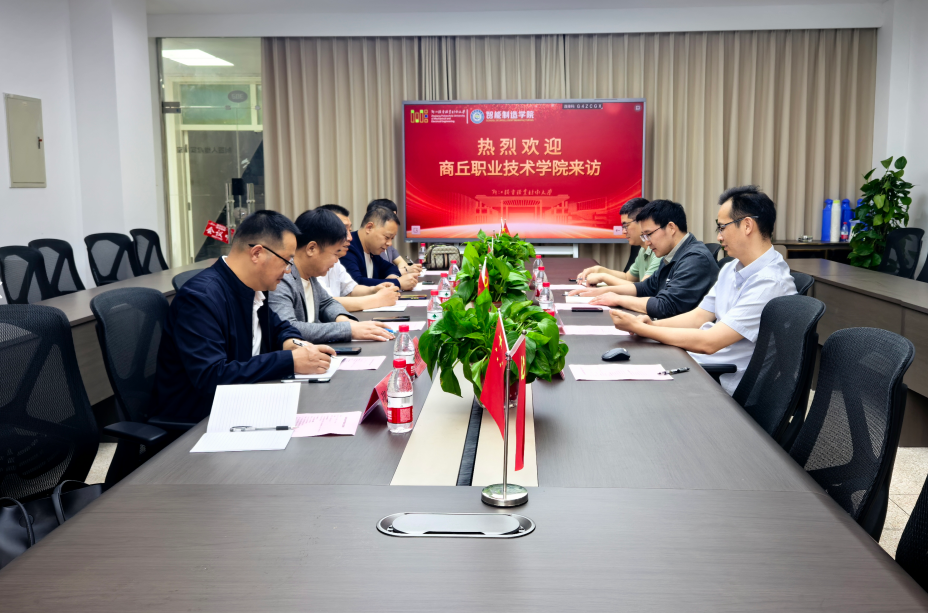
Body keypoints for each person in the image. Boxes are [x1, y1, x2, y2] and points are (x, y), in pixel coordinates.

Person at [610, 186, 797, 394]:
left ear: (747, 226)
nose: (719, 237)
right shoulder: (732, 268)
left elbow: (710, 342)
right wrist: (651, 324)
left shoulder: (770, 283)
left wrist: (644, 330)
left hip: (723, 384)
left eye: (722, 228)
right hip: (698, 364)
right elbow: (699, 316)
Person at [154, 210, 336, 422]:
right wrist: (289, 361)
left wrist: (296, 345)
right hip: (200, 419)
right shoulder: (200, 298)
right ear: (257, 253)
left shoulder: (254, 287)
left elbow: (279, 327)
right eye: (287, 260)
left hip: (245, 402)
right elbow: (212, 377)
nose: (288, 270)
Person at [269, 208, 395, 343]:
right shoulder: (282, 278)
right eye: (335, 253)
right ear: (311, 248)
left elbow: (327, 303)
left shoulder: (310, 276)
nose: (336, 261)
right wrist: (348, 330)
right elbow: (289, 327)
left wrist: (346, 322)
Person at [577, 200, 719, 318]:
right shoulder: (672, 253)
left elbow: (665, 306)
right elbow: (646, 287)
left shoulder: (695, 258)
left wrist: (618, 299)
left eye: (649, 234)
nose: (647, 242)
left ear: (671, 228)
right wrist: (602, 292)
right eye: (644, 236)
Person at [315, 204, 400, 312]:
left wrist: (374, 289)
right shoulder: (313, 264)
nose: (350, 237)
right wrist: (377, 299)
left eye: (349, 230)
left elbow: (350, 289)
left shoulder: (336, 260)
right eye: (343, 230)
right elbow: (325, 303)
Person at [575, 198, 660, 287]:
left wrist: (603, 277)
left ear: (642, 222)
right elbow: (627, 277)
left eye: (626, 225)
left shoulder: (658, 251)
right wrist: (599, 270)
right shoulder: (643, 249)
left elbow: (644, 288)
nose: (624, 231)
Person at [341, 205, 419, 290]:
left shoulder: (372, 251)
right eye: (387, 237)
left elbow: (390, 267)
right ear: (369, 227)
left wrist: (392, 276)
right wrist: (398, 283)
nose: (389, 243)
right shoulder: (348, 247)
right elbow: (356, 283)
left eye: (392, 238)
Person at [367, 199, 422, 274]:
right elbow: (382, 274)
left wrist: (403, 271)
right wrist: (404, 271)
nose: (394, 220)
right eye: (391, 216)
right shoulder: (374, 247)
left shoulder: (388, 244)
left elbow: (401, 263)